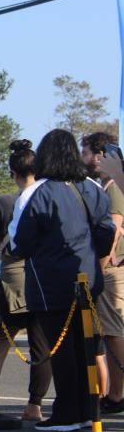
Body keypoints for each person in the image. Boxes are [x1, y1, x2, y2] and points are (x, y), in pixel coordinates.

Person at [10, 128, 116, 431]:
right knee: (86, 348)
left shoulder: (38, 192)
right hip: (89, 280)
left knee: (61, 349)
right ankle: (89, 410)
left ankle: (68, 413)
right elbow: (106, 233)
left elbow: (21, 243)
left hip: (51, 284)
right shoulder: (92, 188)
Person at [0, 140, 52, 421]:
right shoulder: (49, 198)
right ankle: (34, 405)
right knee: (42, 347)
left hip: (12, 280)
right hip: (43, 279)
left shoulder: (5, 202)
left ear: (13, 173)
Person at [80, 132, 124, 414]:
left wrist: (100, 266)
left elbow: (114, 228)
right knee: (108, 333)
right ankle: (112, 394)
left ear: (100, 156)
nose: (83, 158)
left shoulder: (113, 187)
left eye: (85, 152)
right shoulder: (104, 186)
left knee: (113, 332)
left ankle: (116, 395)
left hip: (111, 271)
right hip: (109, 269)